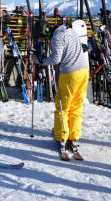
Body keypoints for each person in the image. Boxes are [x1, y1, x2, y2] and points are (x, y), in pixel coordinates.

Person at [41, 21, 89, 159]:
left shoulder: (57, 37)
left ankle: (62, 136)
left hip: (70, 74)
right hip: (84, 71)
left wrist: (41, 60)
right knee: (77, 107)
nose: (47, 41)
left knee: (63, 107)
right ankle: (73, 137)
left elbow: (56, 59)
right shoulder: (70, 30)